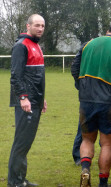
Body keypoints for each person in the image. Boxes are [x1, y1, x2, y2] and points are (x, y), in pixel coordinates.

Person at [71, 22, 111, 187]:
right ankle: (103, 183)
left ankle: (85, 169)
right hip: (110, 102)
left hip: (87, 100)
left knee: (87, 139)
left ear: (107, 32)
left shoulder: (87, 45)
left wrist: (82, 88)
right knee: (107, 144)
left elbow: (74, 68)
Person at [8, 14, 47, 187]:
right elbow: (16, 76)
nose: (40, 29)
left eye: (42, 26)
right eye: (37, 25)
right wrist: (23, 97)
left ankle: (20, 180)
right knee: (21, 143)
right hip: (26, 102)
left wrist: (42, 98)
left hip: (36, 101)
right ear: (28, 26)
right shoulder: (21, 46)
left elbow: (37, 77)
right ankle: (14, 182)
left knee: (26, 143)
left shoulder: (36, 46)